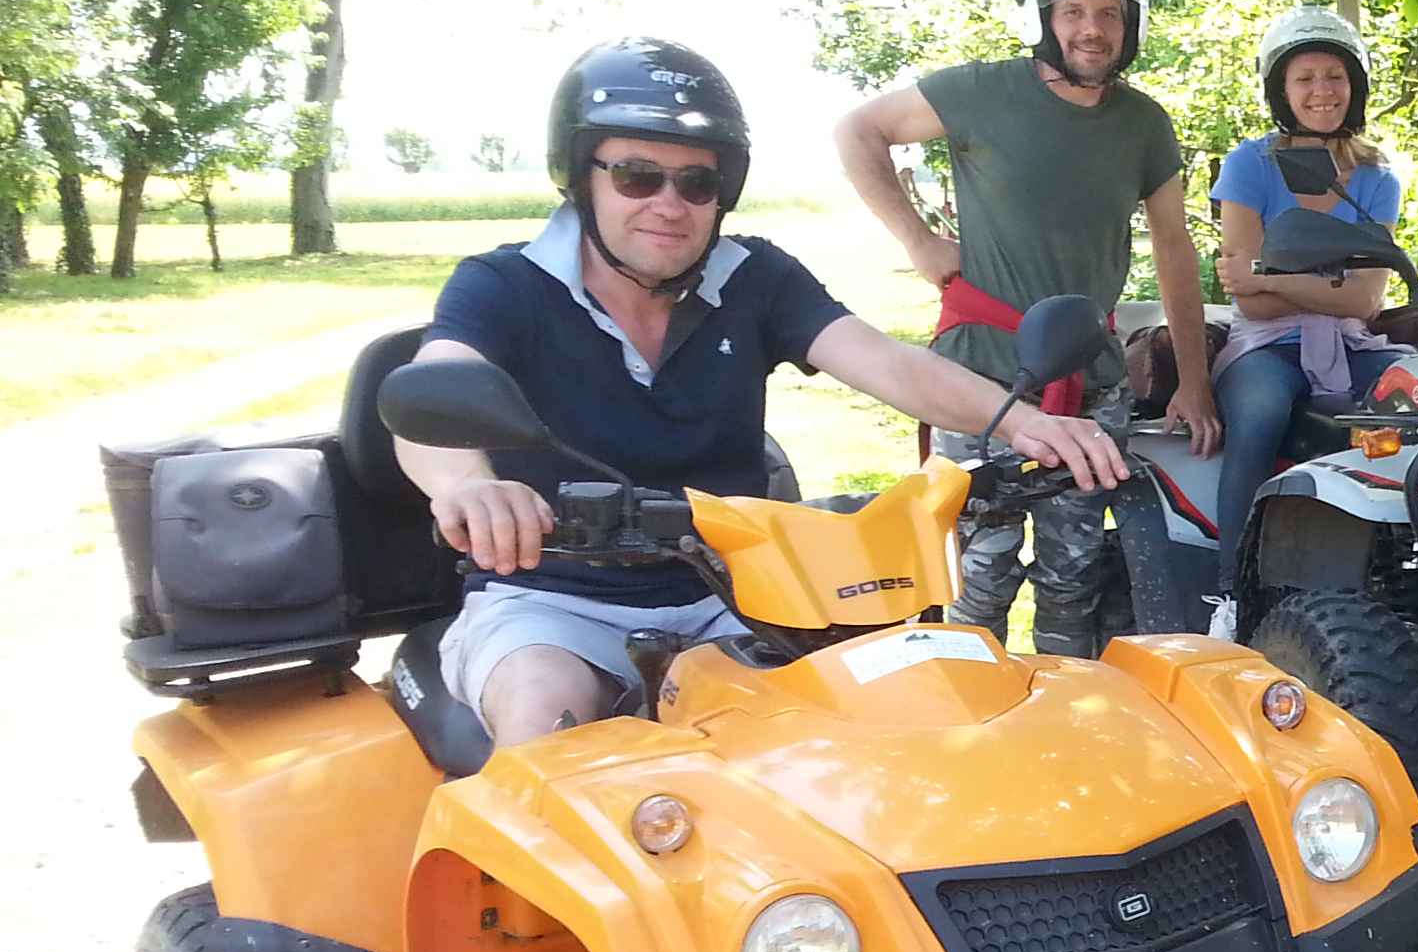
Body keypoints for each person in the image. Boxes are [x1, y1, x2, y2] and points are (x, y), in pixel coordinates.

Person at [396, 37, 1127, 747]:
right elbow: (431, 396)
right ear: (582, 178)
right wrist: (468, 486)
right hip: (554, 600)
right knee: (544, 722)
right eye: (637, 177)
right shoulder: (506, 286)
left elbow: (885, 362)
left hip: (738, 591)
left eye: (697, 183)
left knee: (887, 728)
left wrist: (1023, 423)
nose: (670, 205)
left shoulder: (753, 279)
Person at [831, 0, 1220, 654]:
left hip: (1090, 382)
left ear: (1130, 24)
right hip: (979, 377)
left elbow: (1174, 248)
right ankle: (967, 706)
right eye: (1073, 12)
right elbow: (860, 130)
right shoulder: (983, 92)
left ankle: (1066, 708)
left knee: (1073, 578)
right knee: (976, 574)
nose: (1092, 29)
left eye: (1108, 13)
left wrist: (1193, 382)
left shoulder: (1143, 124)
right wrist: (918, 241)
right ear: (1043, 19)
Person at [1206, 4, 1411, 555]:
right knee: (1260, 415)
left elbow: (1365, 299)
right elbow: (1253, 307)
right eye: (1305, 78)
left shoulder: (1376, 177)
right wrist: (1324, 289)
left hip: (1349, 343)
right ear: (1282, 92)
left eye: (1335, 76)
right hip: (1265, 348)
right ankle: (1231, 584)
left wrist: (1269, 279)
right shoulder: (1250, 164)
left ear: (1355, 87)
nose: (1322, 91)